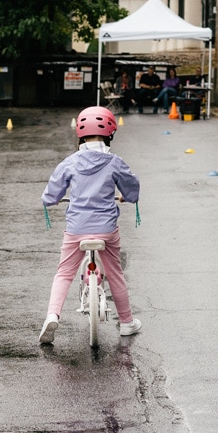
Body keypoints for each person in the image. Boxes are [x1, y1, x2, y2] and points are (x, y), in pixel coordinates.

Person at [38, 106, 142, 344]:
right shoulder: (114, 162)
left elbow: (51, 194)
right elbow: (131, 188)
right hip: (106, 230)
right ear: (110, 133)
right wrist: (127, 196)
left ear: (80, 134)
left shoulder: (70, 163)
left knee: (64, 273)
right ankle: (126, 323)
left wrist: (50, 200)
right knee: (115, 273)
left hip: (76, 230)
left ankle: (52, 315)